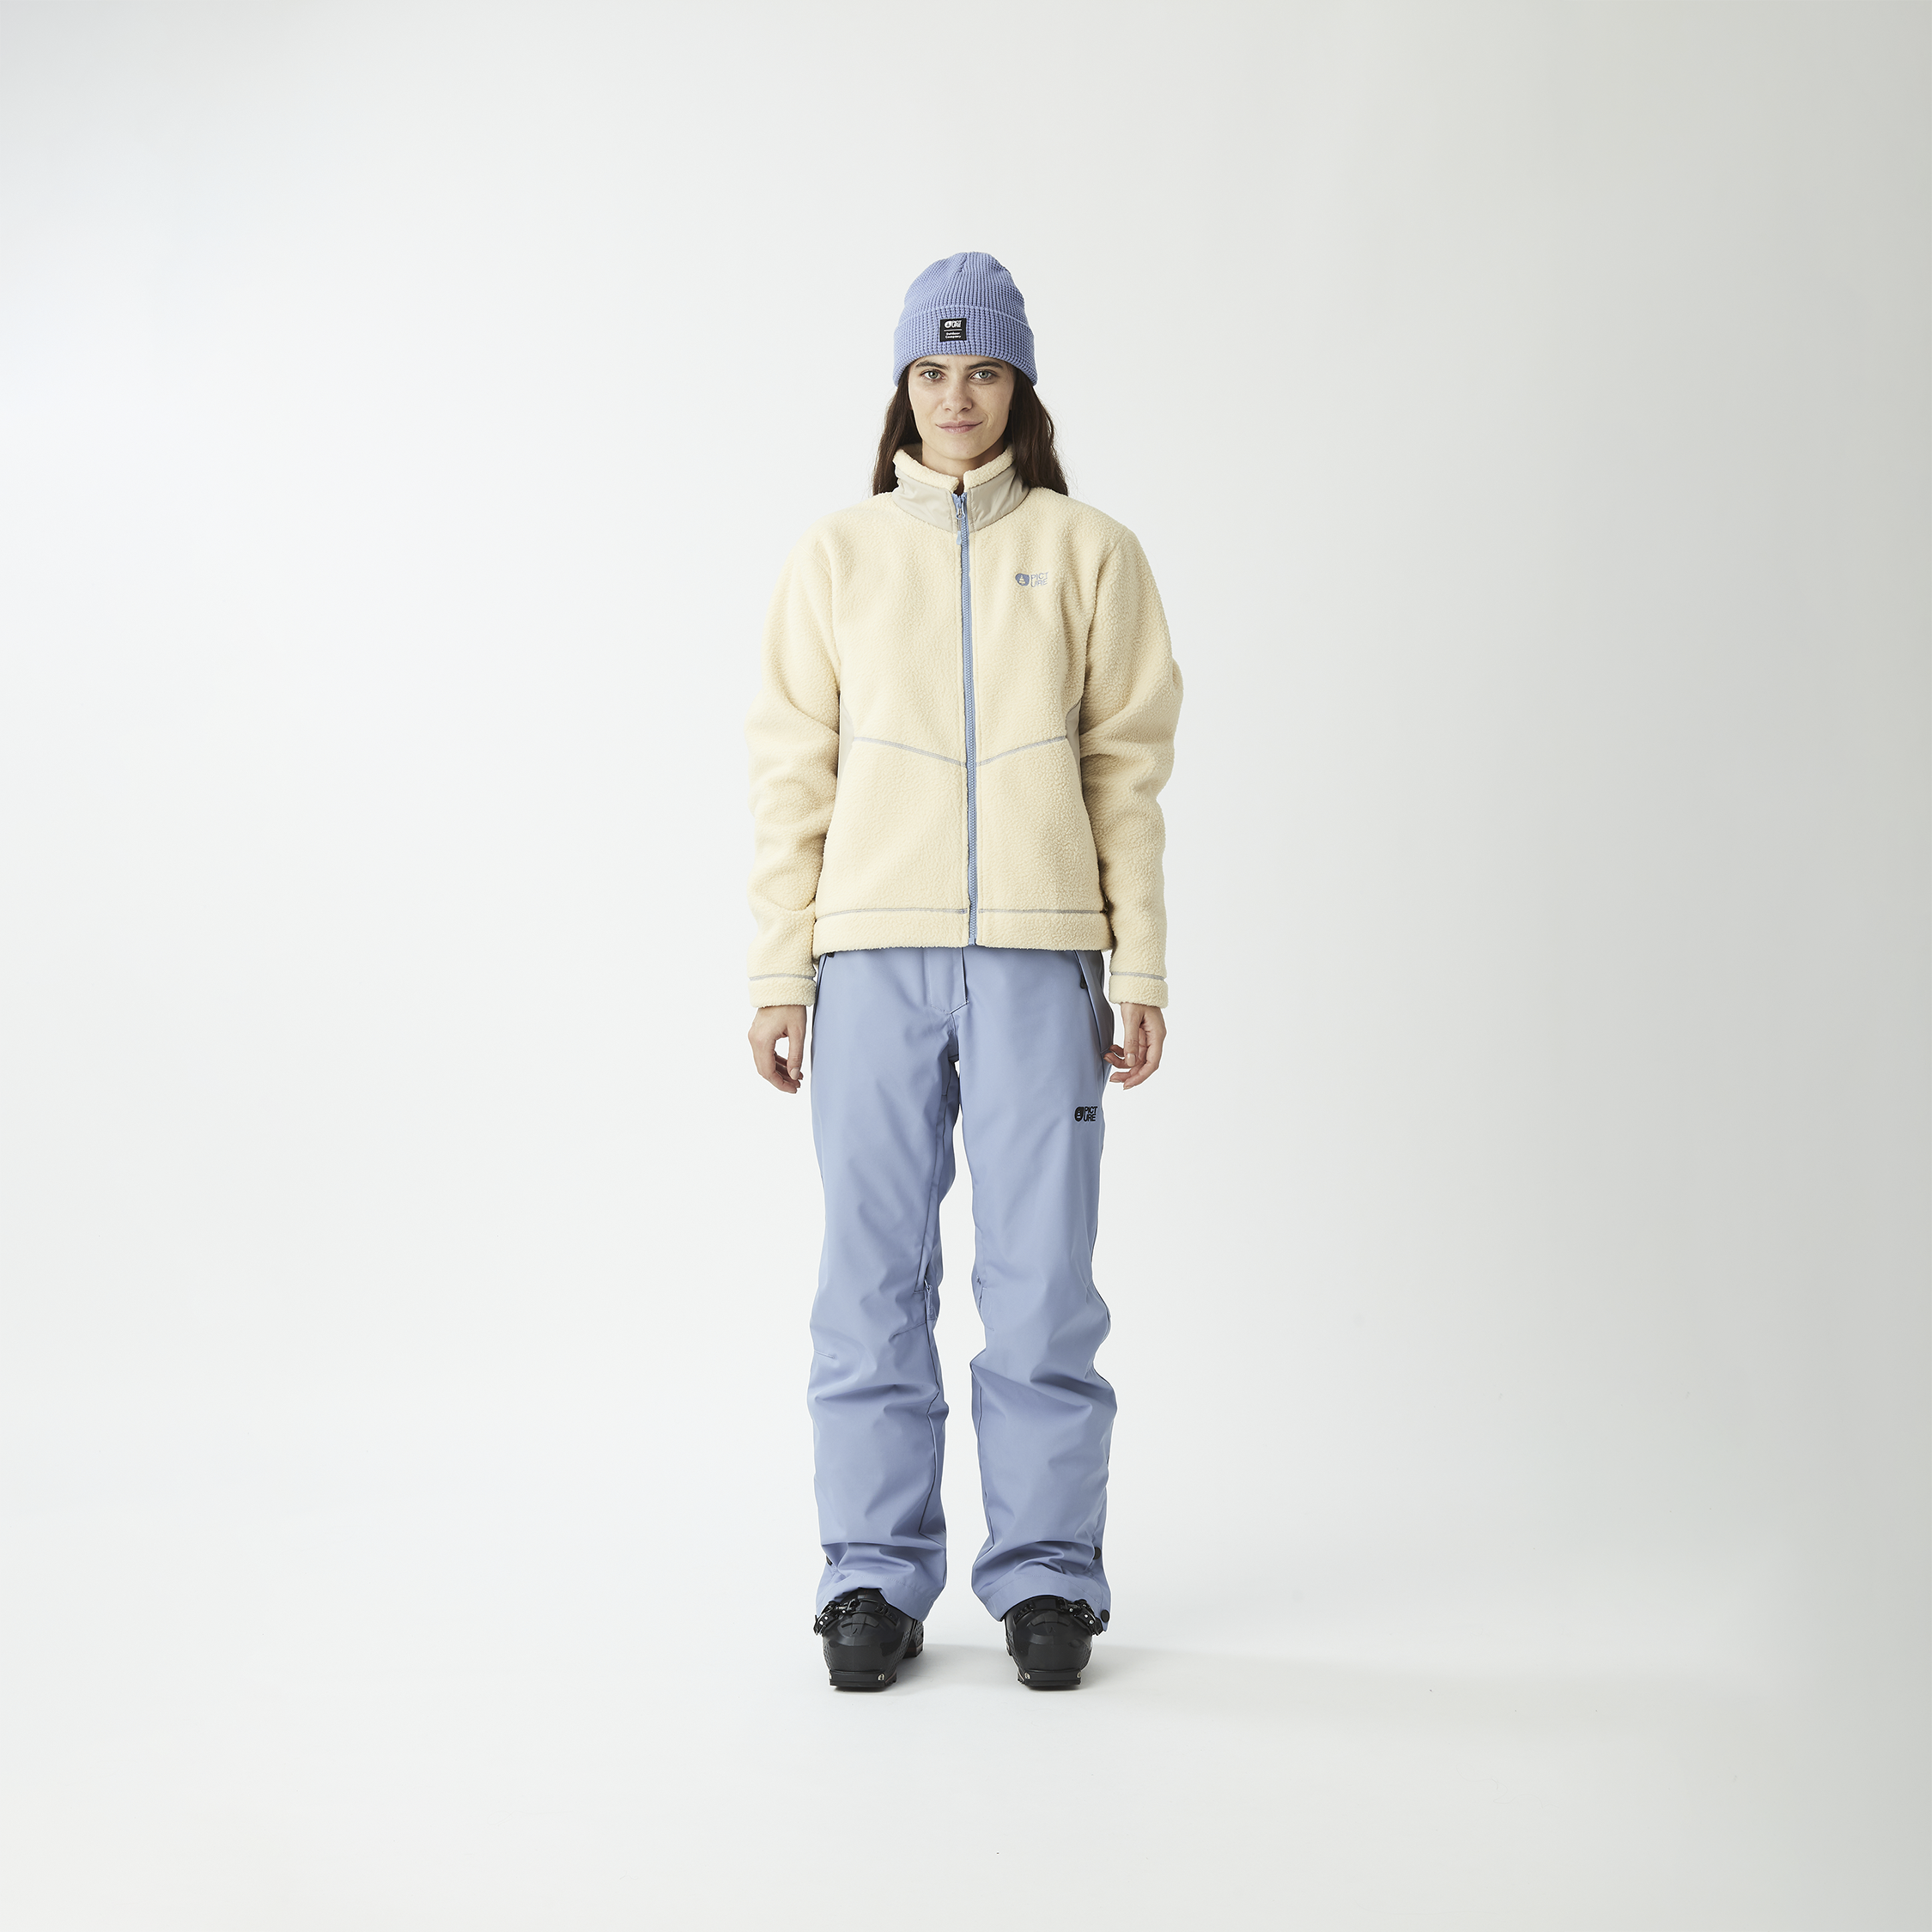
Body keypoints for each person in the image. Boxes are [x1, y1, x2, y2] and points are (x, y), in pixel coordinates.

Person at [744, 252, 1182, 1691]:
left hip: (1041, 961)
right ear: (901, 386)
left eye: (981, 370)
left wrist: (1139, 966)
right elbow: (790, 773)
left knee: (1042, 1280)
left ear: (1018, 386)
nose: (955, 396)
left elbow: (1126, 772)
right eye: (931, 372)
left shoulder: (1089, 550)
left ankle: (1048, 1573)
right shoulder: (836, 555)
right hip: (869, 955)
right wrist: (778, 971)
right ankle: (869, 1573)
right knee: (870, 1273)